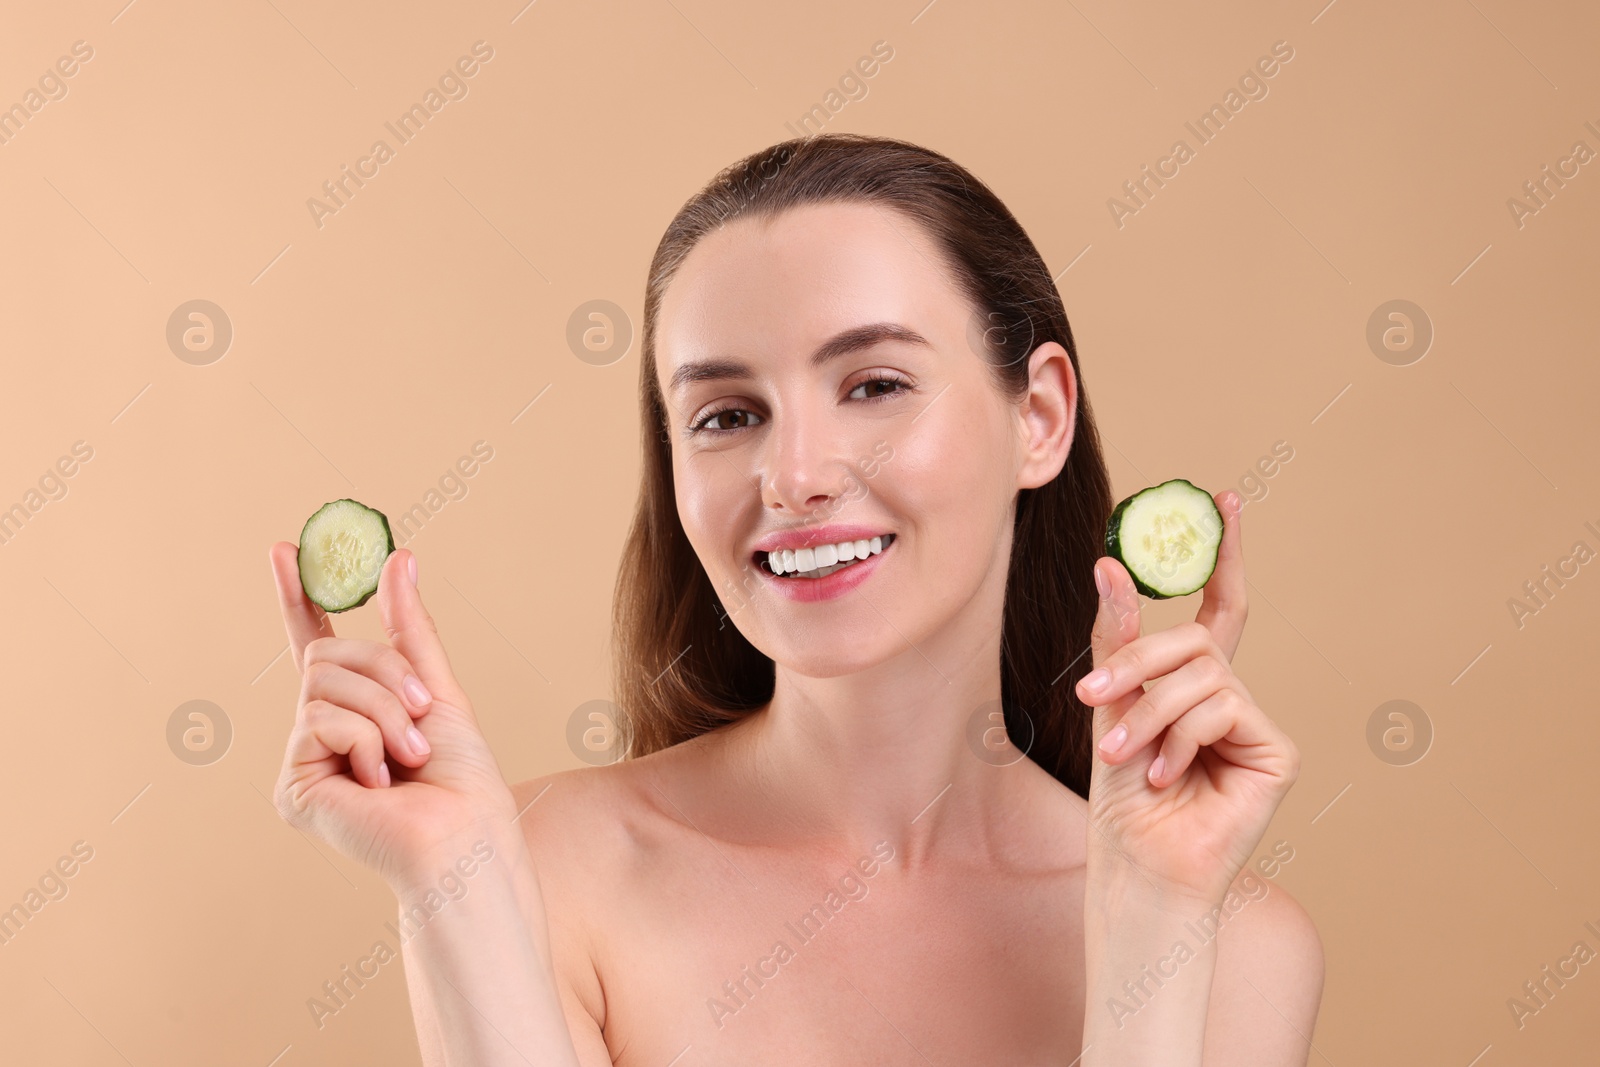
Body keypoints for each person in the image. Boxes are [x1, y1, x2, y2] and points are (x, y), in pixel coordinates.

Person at [268, 132, 1323, 1065]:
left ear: (1037, 415)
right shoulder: (536, 868)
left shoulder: (1232, 941)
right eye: (727, 414)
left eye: (873, 385)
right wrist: (454, 881)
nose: (794, 475)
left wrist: (1152, 918)